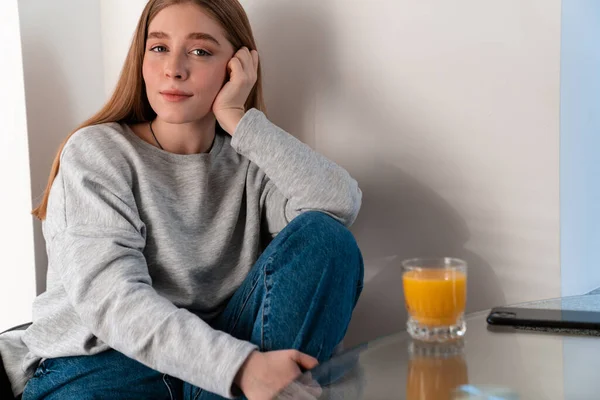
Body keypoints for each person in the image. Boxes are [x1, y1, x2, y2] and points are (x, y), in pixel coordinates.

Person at [0, 0, 364, 399]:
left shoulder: (250, 162)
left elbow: (337, 205)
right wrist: (241, 368)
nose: (174, 68)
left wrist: (239, 119)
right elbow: (114, 302)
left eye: (200, 51)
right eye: (158, 47)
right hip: (104, 368)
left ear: (237, 67)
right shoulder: (97, 152)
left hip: (214, 372)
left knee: (326, 239)